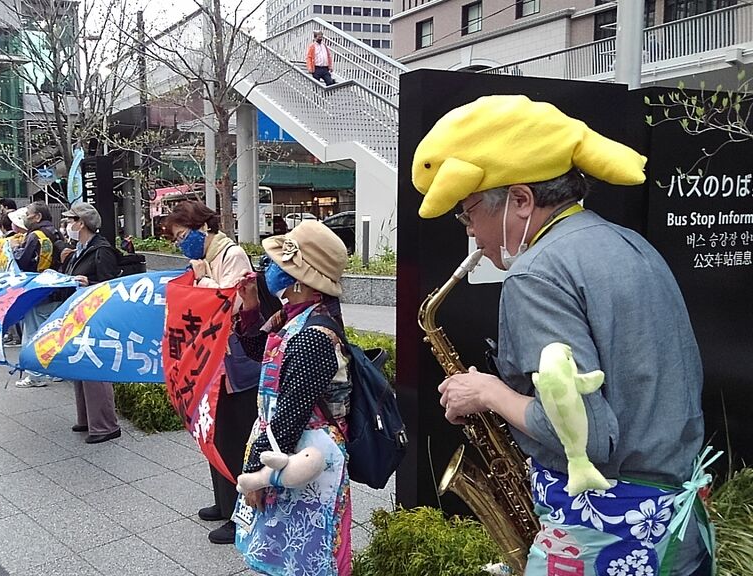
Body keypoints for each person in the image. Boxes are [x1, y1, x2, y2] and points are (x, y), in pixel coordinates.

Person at [414, 95, 710, 576]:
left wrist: (488, 392)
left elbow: (587, 437)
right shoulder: (630, 244)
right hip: (677, 529)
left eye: (468, 213)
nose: (471, 234)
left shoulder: (535, 274)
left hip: (605, 533)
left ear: (521, 200)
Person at [232, 220, 352, 575]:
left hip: (301, 458)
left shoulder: (313, 334)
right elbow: (260, 354)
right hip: (286, 451)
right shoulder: (295, 316)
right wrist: (251, 305)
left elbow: (291, 412)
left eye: (276, 264)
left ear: (299, 277)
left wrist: (255, 473)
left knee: (308, 555)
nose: (268, 269)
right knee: (287, 550)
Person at [162, 200, 259, 544]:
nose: (179, 243)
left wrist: (201, 279)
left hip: (235, 366)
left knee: (235, 440)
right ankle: (223, 502)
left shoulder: (230, 255)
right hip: (212, 364)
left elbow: (227, 304)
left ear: (202, 227)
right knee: (215, 434)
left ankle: (241, 515)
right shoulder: (207, 258)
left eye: (182, 235)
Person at [54, 203, 122, 443]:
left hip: (95, 318)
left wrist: (89, 284)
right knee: (80, 366)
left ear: (81, 223)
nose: (68, 225)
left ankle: (105, 424)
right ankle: (87, 419)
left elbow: (111, 287)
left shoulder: (101, 251)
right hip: (78, 315)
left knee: (94, 368)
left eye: (71, 220)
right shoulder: (79, 250)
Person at [11, 202, 61, 388]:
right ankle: (55, 372)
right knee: (52, 332)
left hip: (37, 291)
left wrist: (14, 248)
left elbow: (22, 260)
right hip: (56, 289)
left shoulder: (35, 236)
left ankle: (35, 375)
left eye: (28, 214)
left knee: (32, 332)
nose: (26, 217)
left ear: (38, 217)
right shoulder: (55, 232)